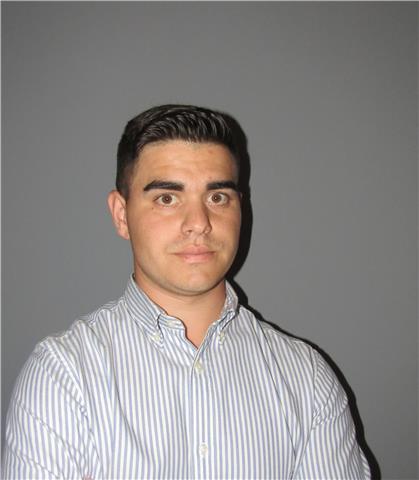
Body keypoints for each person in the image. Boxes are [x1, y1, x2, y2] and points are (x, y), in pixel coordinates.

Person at [3, 104, 371, 479]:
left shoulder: (307, 379)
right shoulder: (64, 373)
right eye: (167, 198)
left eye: (217, 197)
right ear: (121, 214)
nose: (199, 223)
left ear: (240, 210)